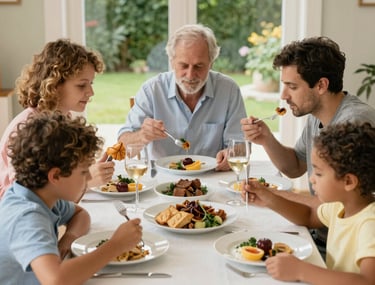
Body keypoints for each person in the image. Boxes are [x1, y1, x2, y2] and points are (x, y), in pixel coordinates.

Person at [240, 36, 375, 254]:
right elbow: (295, 167)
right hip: (318, 231)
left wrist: (269, 195)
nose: (283, 96)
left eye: (292, 86)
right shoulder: (317, 115)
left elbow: (333, 206)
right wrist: (266, 139)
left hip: (341, 246)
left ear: (321, 85)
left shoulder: (353, 124)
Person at [0, 112, 143, 284]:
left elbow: (80, 214)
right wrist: (115, 245)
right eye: (83, 172)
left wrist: (69, 238)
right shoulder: (26, 217)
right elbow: (56, 280)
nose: (89, 179)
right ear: (56, 176)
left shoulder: (44, 196)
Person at [242, 122, 375, 285]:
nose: (312, 179)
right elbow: (309, 216)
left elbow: (368, 281)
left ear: (348, 181)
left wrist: (301, 271)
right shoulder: (341, 206)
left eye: (318, 173)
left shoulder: (370, 223)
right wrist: (269, 198)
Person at [118, 24, 247, 171]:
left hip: (212, 178)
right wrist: (143, 136)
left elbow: (240, 145)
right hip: (161, 180)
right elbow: (121, 149)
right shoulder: (152, 90)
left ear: (211, 63)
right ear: (172, 61)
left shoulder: (228, 90)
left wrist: (231, 154)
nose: (190, 75)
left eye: (199, 66)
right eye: (184, 65)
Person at [0, 38, 115, 198]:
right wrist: (86, 181)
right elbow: (24, 195)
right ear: (54, 85)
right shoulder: (27, 127)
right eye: (82, 85)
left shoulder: (63, 118)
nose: (90, 92)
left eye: (91, 84)